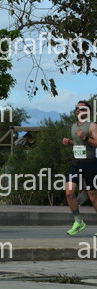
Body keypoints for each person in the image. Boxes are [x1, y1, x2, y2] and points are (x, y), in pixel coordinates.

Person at [62, 100, 97, 236]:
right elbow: (79, 145)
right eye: (77, 108)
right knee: (69, 193)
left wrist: (86, 138)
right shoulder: (73, 126)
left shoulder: (92, 125)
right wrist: (70, 142)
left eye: (81, 108)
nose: (78, 110)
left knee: (92, 196)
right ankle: (78, 221)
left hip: (90, 163)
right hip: (76, 163)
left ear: (87, 111)